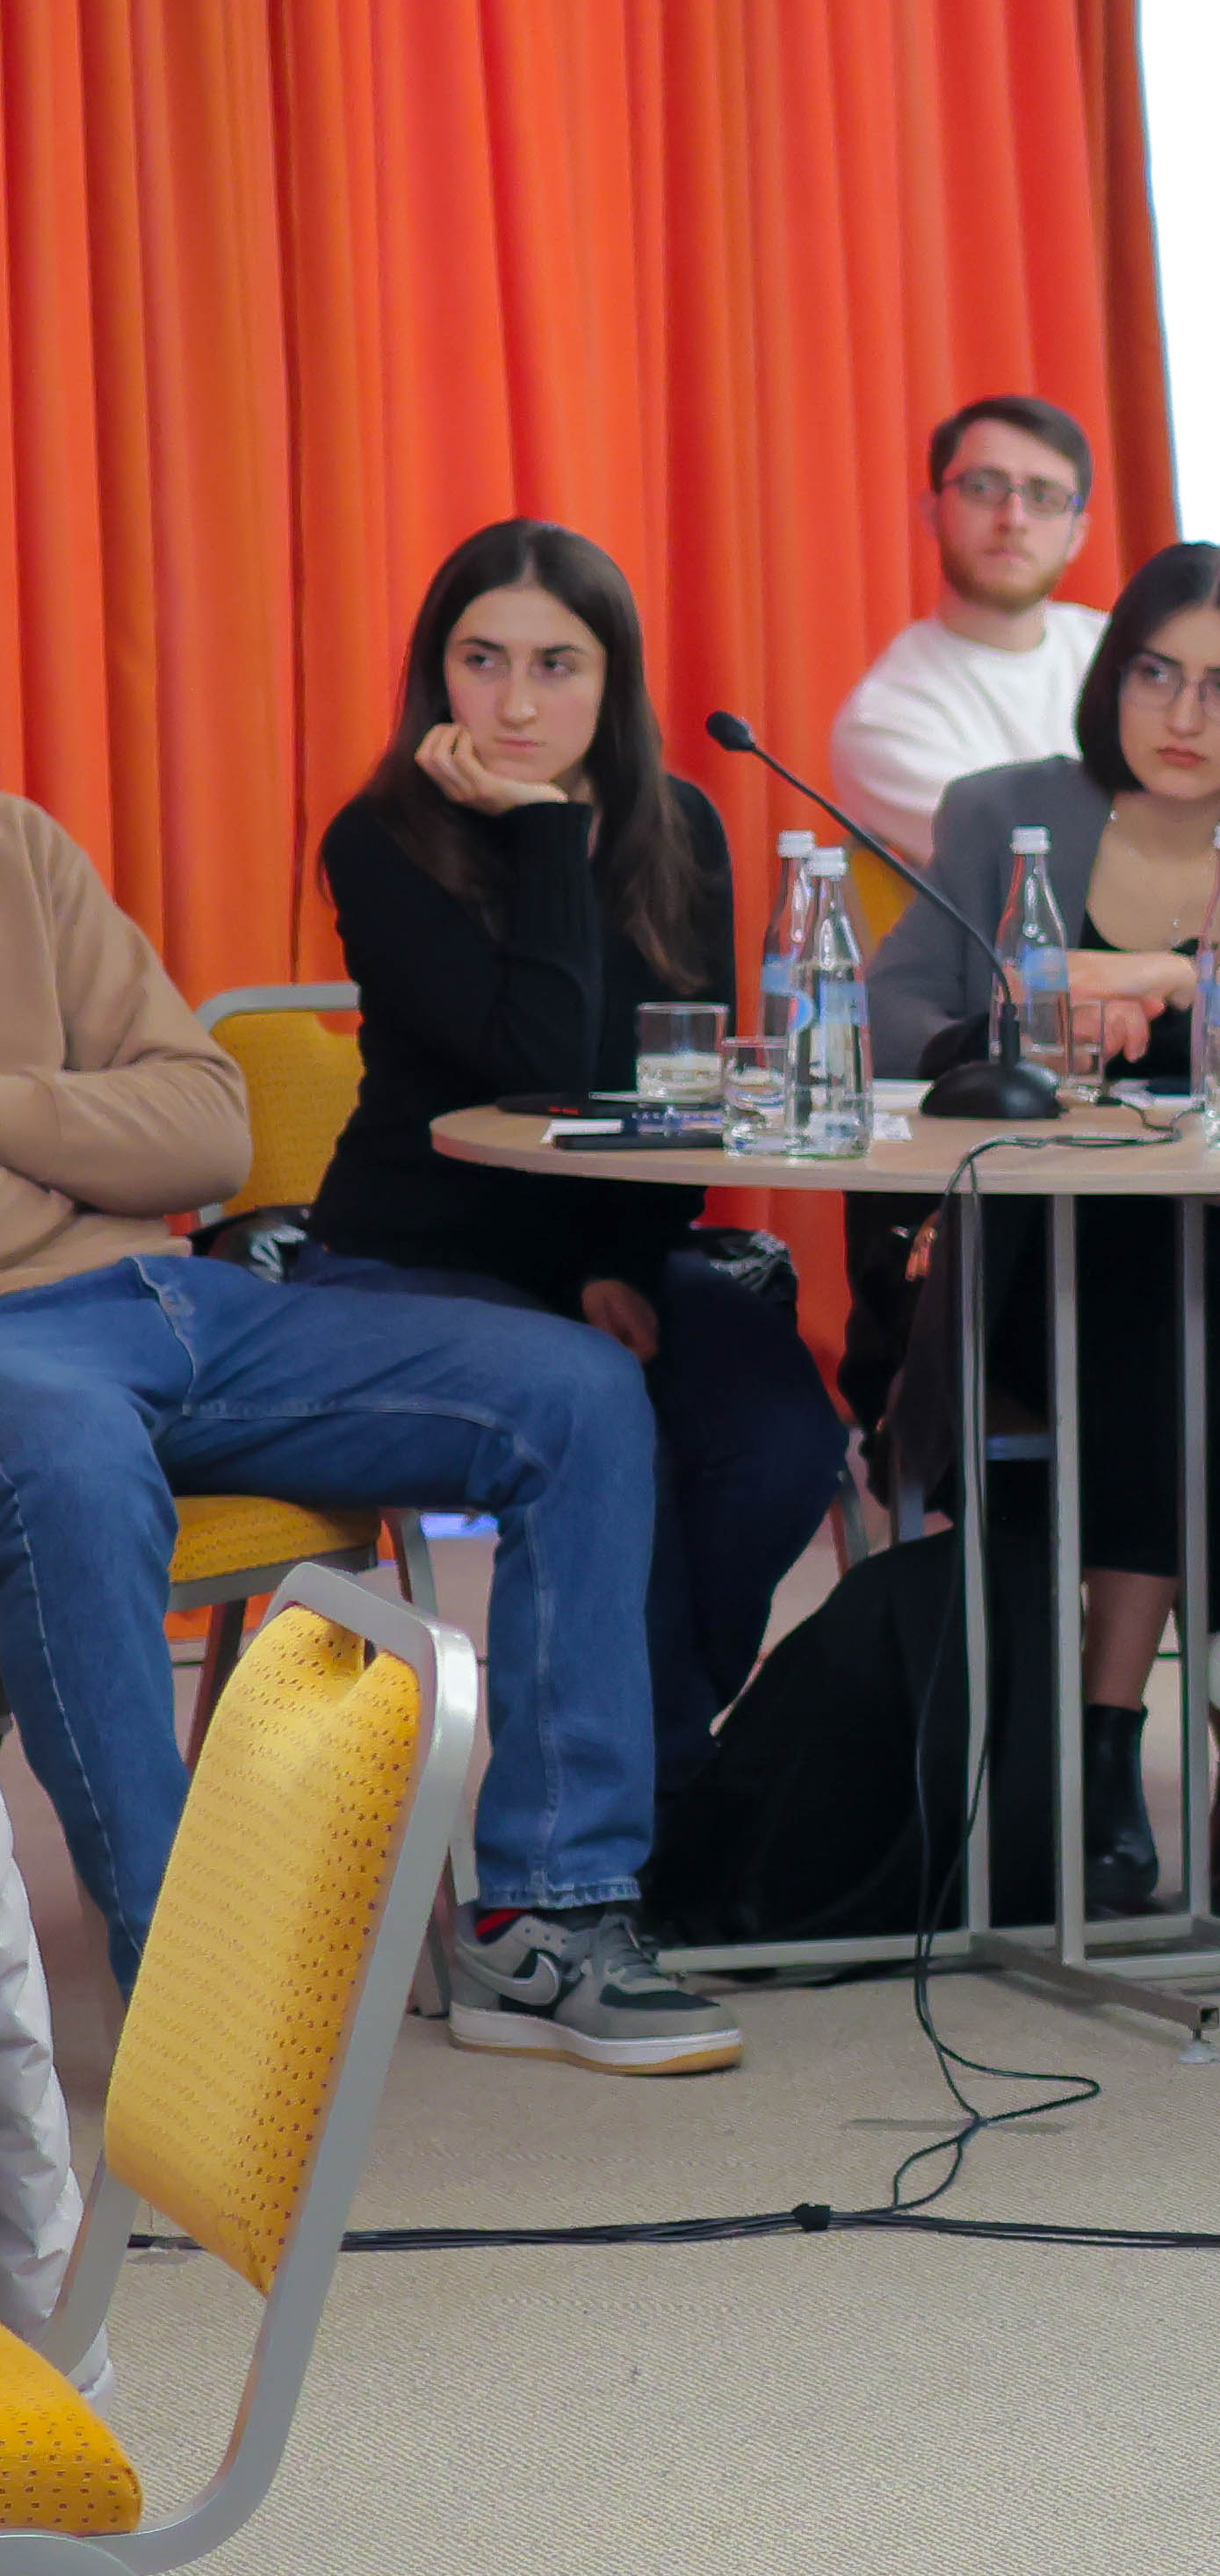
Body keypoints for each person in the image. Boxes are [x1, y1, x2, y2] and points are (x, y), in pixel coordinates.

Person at [0, 791, 728, 2073]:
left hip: (181, 1300)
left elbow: (205, 1129)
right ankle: (189, 2002)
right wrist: (78, 1130)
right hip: (26, 1357)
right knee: (71, 1461)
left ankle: (546, 1917)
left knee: (575, 1389)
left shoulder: (17, 844)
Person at [866, 545, 1220, 1923]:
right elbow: (889, 1012)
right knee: (1175, 1317)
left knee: (1217, 1304)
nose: (1183, 713)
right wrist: (1029, 1016)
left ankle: (1111, 1748)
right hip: (1045, 1257)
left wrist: (1185, 977)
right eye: (1157, 673)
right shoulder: (1002, 812)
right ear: (1112, 677)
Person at [304, 520, 848, 1774]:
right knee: (616, 1443)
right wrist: (548, 829)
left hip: (616, 1244)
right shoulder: (379, 836)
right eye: (482, 660)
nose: (515, 703)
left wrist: (621, 1259)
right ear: (435, 673)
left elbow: (681, 1087)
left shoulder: (680, 827)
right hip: (413, 1261)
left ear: (614, 681)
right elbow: (538, 1068)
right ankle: (631, 1809)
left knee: (782, 1443)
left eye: (557, 665)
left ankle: (657, 1761)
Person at [830, 397, 1105, 842]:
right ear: (933, 513)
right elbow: (1032, 862)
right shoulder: (886, 718)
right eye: (982, 487)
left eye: (1044, 496)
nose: (1013, 519)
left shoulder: (1124, 655)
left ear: (1077, 535)